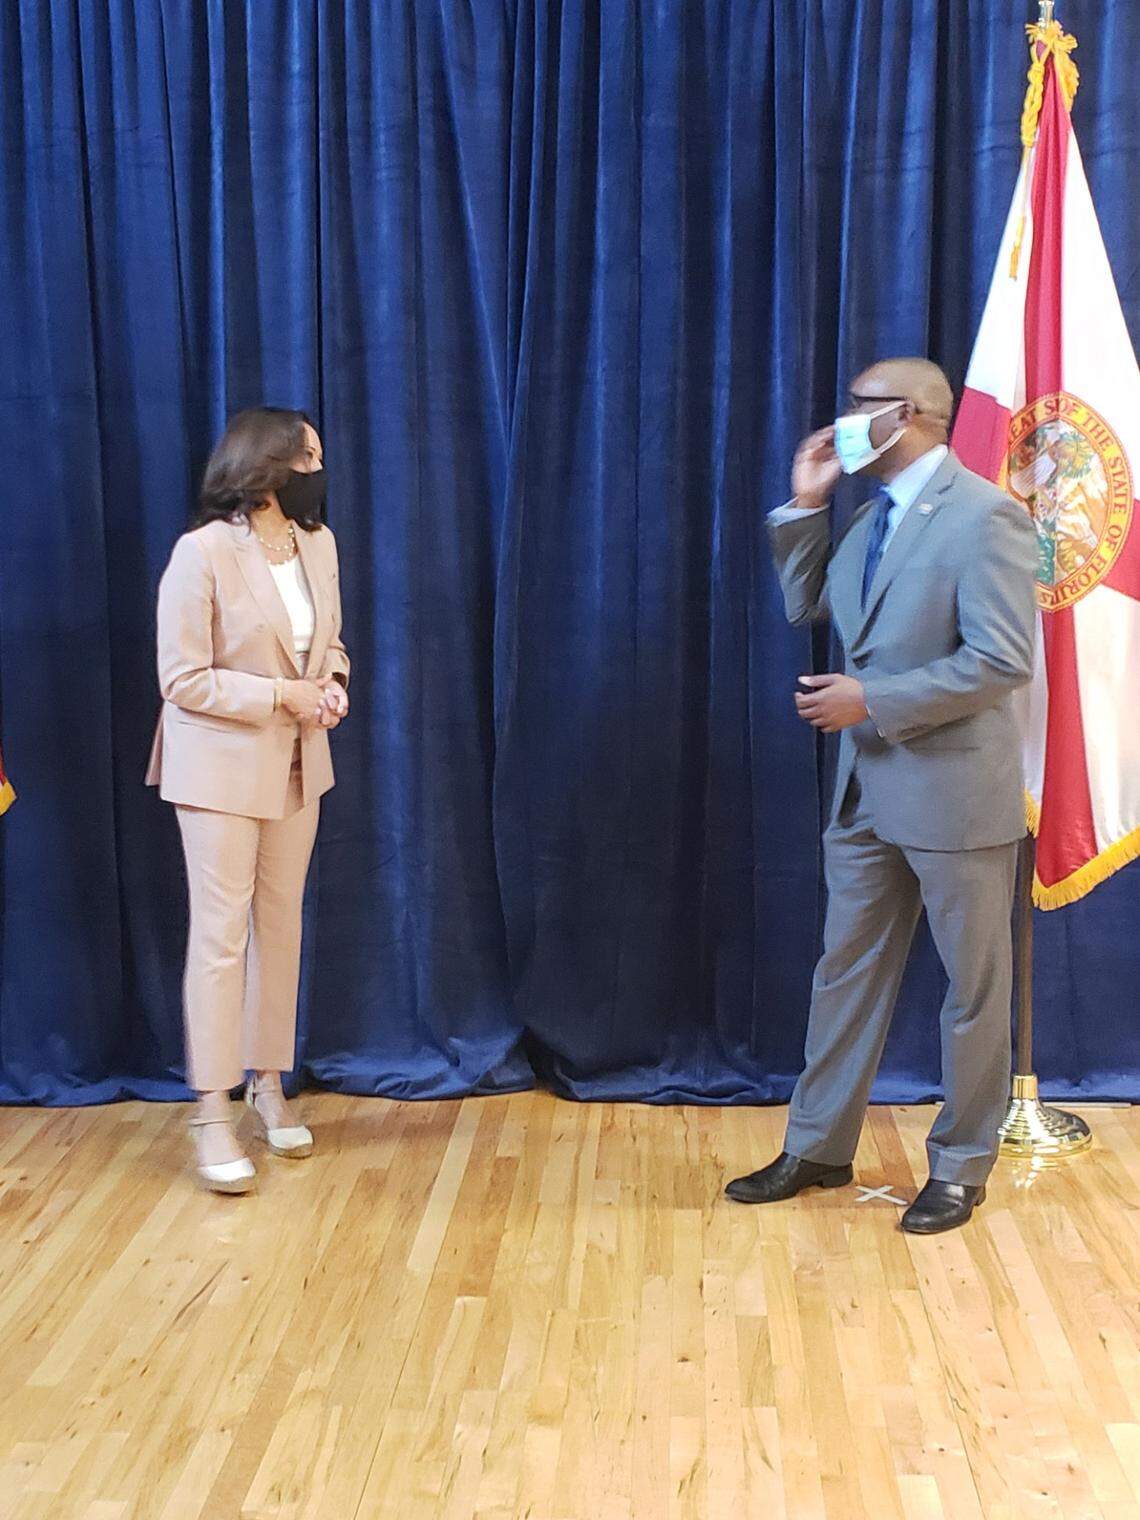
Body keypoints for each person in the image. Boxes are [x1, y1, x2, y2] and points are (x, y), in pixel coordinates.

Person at [726, 358, 1037, 1234]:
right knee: (845, 971)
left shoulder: (988, 518)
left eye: (858, 409)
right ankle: (818, 1145)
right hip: (867, 793)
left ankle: (961, 1167)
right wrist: (807, 505)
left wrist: (877, 701)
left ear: (908, 415)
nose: (843, 423)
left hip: (954, 794)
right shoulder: (869, 520)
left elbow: (1003, 659)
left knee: (973, 988)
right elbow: (810, 609)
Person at [146, 407, 350, 1193]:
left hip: (300, 766)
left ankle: (268, 1084)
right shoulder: (201, 555)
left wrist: (330, 685)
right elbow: (183, 679)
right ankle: (210, 1109)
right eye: (310, 458)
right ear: (268, 468)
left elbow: (328, 642)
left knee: (282, 930)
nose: (318, 472)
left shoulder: (319, 546)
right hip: (219, 771)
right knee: (222, 937)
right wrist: (283, 695)